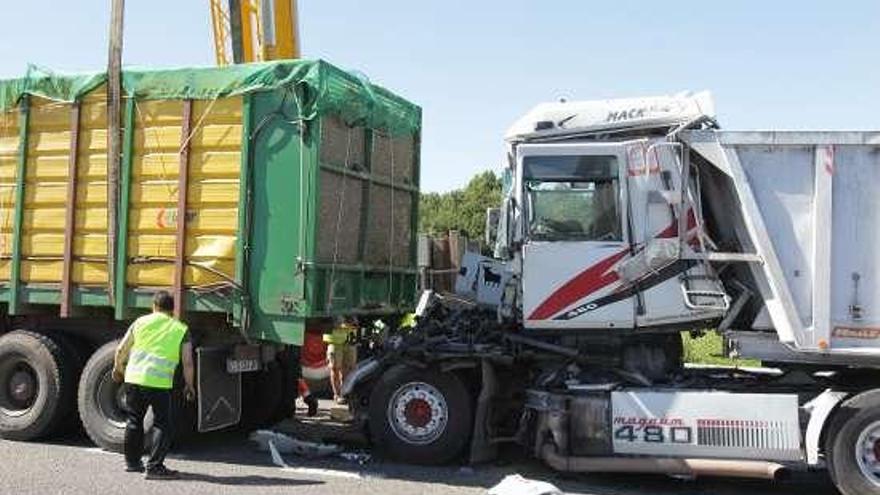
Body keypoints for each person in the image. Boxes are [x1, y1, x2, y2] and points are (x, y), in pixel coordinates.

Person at [112, 290, 195, 480]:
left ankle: (132, 463)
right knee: (162, 423)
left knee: (134, 419)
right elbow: (188, 362)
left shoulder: (139, 322)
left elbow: (121, 349)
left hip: (133, 379)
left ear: (154, 306)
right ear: (172, 310)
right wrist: (189, 386)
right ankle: (155, 467)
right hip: (158, 383)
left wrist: (118, 369)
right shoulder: (181, 329)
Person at [323, 317, 358, 404]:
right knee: (335, 368)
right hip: (335, 339)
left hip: (350, 338)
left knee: (349, 369)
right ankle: (338, 395)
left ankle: (346, 393)